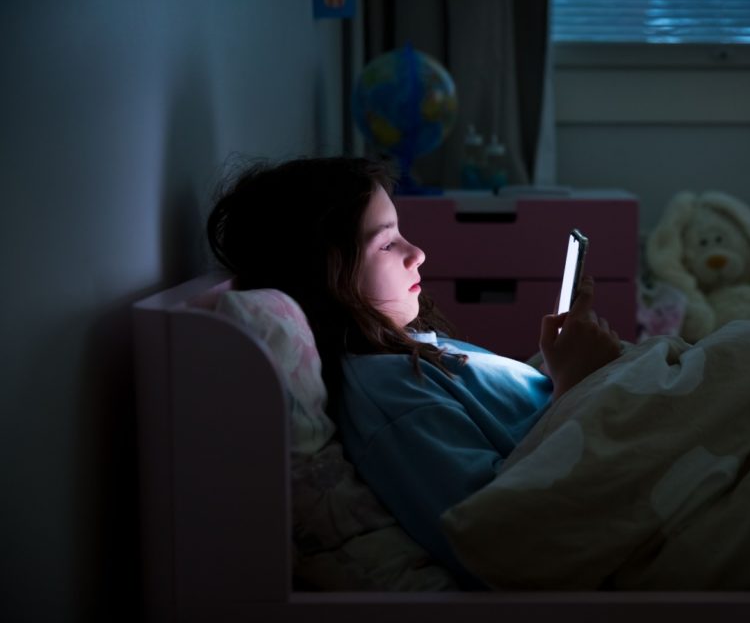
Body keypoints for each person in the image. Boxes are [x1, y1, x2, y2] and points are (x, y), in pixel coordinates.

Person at [207, 156, 622, 587]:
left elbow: (513, 419)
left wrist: (560, 365)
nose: (418, 254)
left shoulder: (410, 351)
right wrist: (578, 384)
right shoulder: (390, 393)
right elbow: (505, 529)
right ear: (325, 276)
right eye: (387, 244)